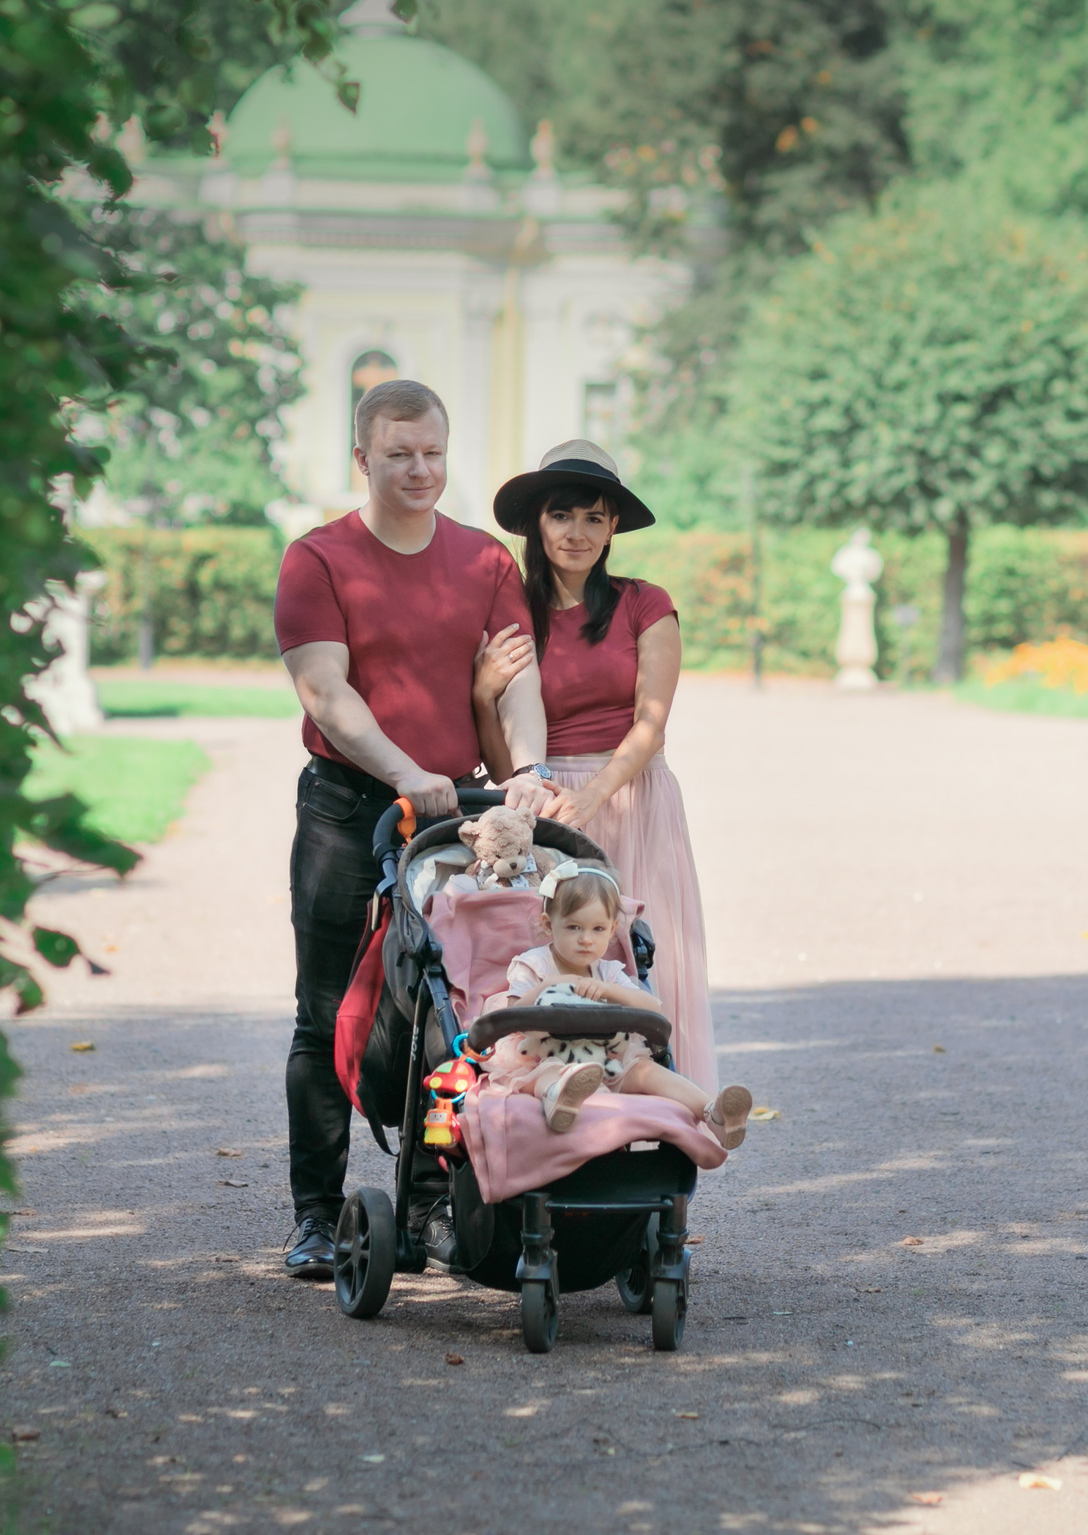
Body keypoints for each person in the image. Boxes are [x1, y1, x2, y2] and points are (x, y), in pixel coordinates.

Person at [272, 380, 557, 1278]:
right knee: (322, 1015)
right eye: (400, 453)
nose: (421, 468)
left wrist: (527, 772)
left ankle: (432, 1207)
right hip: (347, 805)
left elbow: (518, 682)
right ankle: (316, 1217)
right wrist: (404, 771)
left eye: (433, 451)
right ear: (363, 458)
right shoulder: (317, 559)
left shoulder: (484, 563)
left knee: (451, 1014)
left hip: (456, 823)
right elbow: (326, 689)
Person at [473, 440, 718, 1091]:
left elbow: (652, 724)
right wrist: (481, 692)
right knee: (551, 964)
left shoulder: (645, 603)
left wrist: (595, 796)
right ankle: (559, 1111)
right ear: (537, 523)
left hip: (631, 798)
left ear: (613, 527)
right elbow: (501, 761)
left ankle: (657, 1115)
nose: (577, 532)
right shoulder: (510, 613)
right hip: (544, 807)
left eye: (594, 517)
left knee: (639, 962)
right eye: (561, 515)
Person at [485, 861, 751, 1147]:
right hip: (543, 1057)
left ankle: (713, 1114)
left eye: (597, 929)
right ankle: (559, 1100)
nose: (586, 939)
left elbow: (652, 1009)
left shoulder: (608, 972)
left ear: (612, 930)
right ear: (549, 925)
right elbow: (512, 1015)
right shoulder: (535, 964)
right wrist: (546, 986)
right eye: (574, 927)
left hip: (604, 1061)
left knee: (644, 1070)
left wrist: (609, 990)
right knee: (549, 1071)